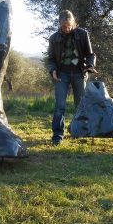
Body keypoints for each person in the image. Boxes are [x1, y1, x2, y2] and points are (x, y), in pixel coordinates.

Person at [46, 10, 96, 145]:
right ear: (59, 24)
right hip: (61, 75)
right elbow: (50, 59)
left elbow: (91, 55)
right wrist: (53, 71)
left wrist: (90, 66)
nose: (66, 28)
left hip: (79, 74)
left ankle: (79, 132)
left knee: (80, 106)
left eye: (69, 25)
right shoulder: (53, 38)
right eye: (63, 26)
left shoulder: (83, 34)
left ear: (73, 23)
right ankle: (57, 136)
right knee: (60, 106)